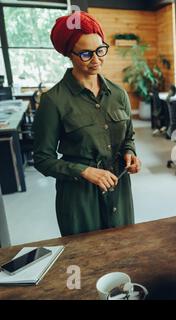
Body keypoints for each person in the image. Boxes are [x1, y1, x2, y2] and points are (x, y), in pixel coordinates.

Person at [33, 11, 141, 236]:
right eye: (86, 54)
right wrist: (83, 171)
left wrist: (130, 153)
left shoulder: (118, 94)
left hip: (118, 190)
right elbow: (43, 160)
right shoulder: (53, 101)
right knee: (86, 262)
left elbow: (128, 136)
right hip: (78, 198)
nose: (96, 60)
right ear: (69, 54)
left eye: (101, 50)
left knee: (124, 251)